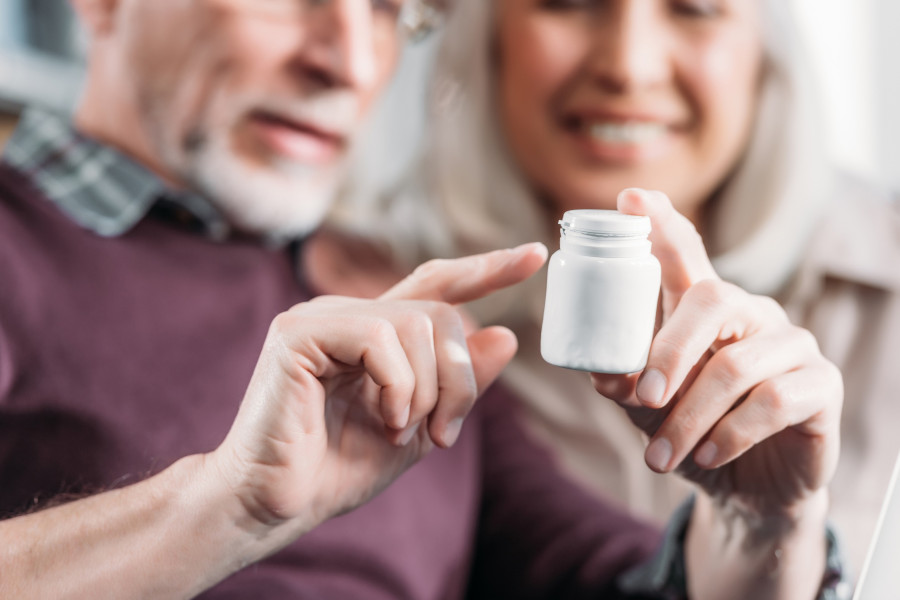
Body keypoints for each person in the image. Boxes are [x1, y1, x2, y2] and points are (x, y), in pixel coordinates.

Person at [0, 0, 844, 598]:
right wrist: (223, 510)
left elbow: (622, 580)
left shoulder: (391, 312)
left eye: (385, 9)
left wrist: (764, 524)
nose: (351, 63)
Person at [322, 0, 900, 577]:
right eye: (570, 3)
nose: (629, 67)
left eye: (695, 8)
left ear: (766, 48)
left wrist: (768, 525)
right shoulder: (370, 301)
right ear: (486, 34)